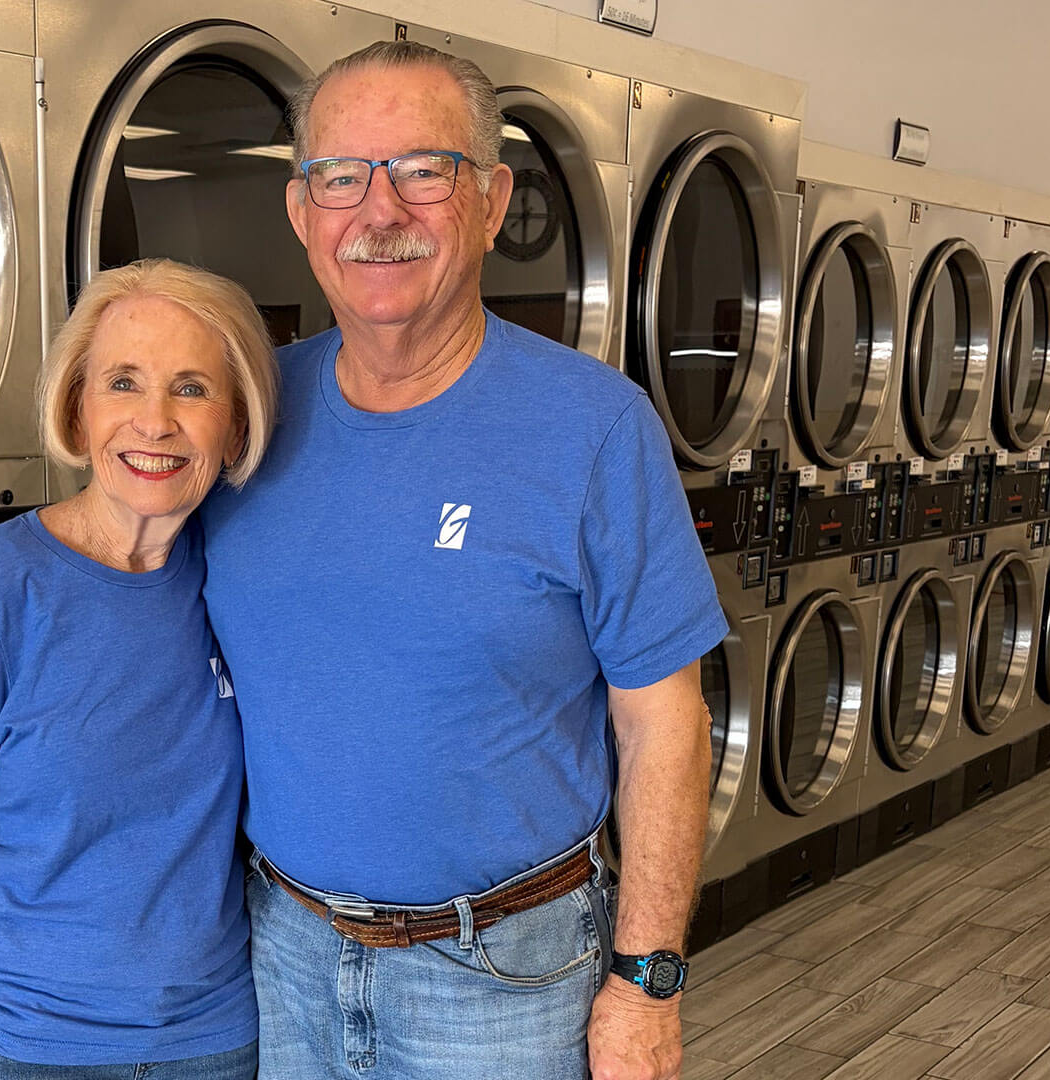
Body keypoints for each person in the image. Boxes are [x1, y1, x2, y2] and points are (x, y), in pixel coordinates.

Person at [198, 41, 725, 1080]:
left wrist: (647, 979)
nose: (378, 210)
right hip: (282, 954)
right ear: (302, 213)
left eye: (422, 170)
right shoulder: (246, 415)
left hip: (506, 977)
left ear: (491, 200)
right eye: (341, 177)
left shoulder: (594, 429)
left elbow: (663, 718)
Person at [0, 258, 279, 1080]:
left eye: (192, 389)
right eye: (123, 383)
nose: (155, 422)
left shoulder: (240, 579)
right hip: (29, 1045)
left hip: (213, 1040)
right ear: (78, 406)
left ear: (238, 427)